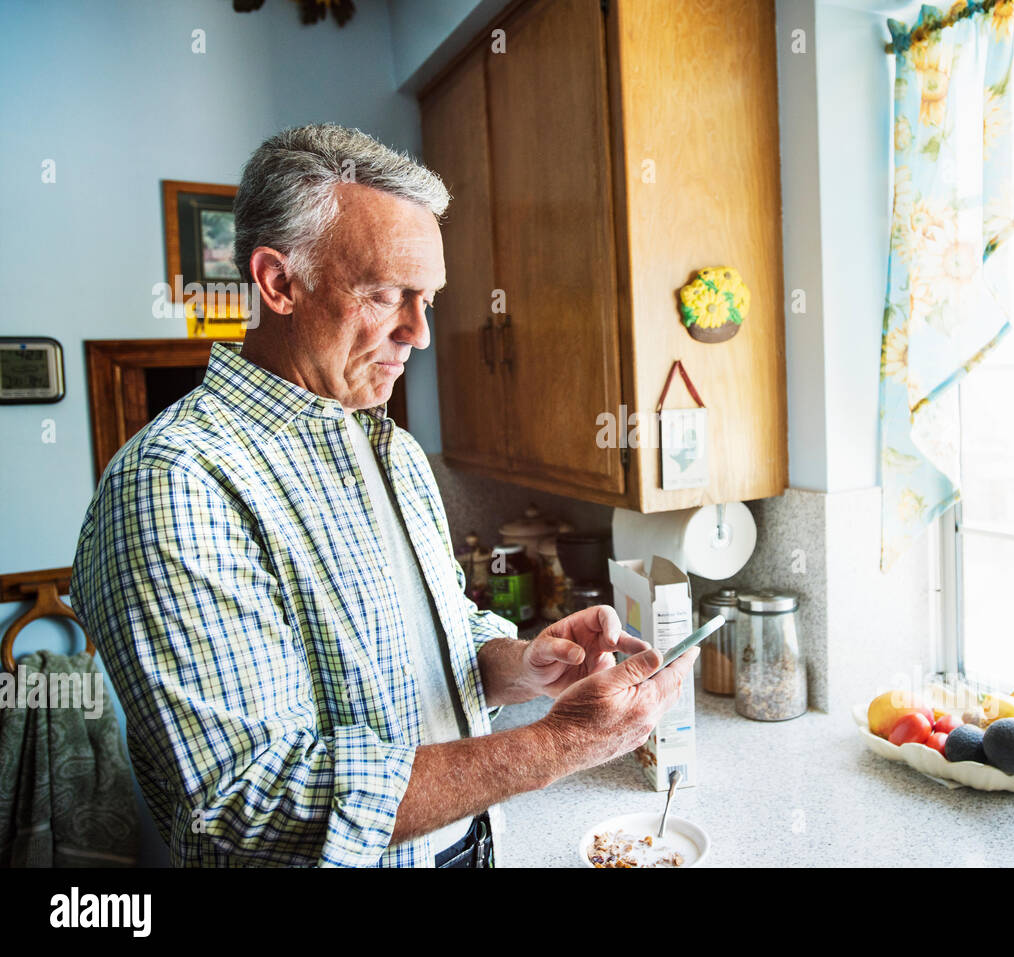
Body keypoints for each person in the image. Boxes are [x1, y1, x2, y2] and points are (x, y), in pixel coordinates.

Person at [70, 124, 696, 868]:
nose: (420, 332)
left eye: (426, 297)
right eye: (387, 294)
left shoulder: (388, 446)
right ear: (279, 283)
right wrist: (558, 744)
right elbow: (251, 796)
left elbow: (433, 636)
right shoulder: (176, 481)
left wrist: (523, 662)